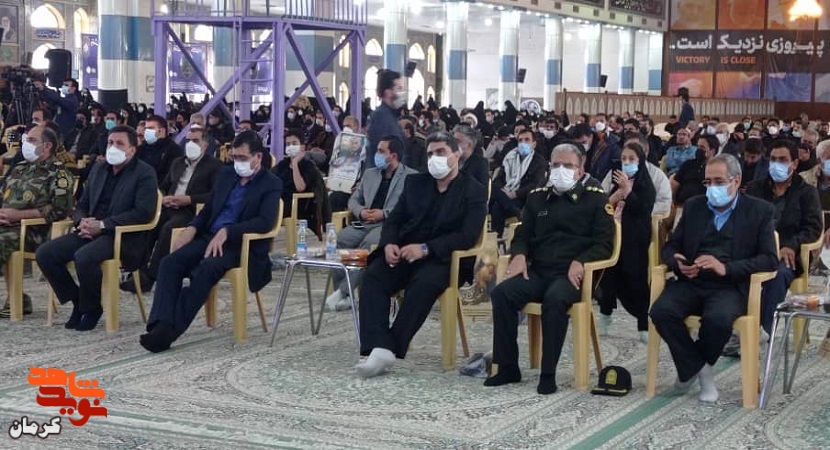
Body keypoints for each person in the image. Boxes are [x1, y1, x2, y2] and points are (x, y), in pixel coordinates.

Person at [354, 131, 487, 378]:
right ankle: (376, 346)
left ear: (456, 154)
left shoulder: (474, 190)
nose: (435, 158)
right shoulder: (415, 183)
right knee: (372, 276)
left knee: (423, 284)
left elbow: (467, 236)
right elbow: (395, 219)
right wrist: (389, 243)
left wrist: (426, 248)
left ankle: (389, 348)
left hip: (444, 259)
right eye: (430, 153)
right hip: (405, 252)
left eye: (441, 152)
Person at [484, 143, 614, 394]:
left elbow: (605, 243)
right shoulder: (537, 196)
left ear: (580, 169)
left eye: (568, 166)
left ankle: (548, 373)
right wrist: (519, 255)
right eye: (556, 165)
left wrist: (582, 261)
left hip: (571, 274)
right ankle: (508, 367)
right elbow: (522, 234)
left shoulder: (595, 197)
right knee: (502, 293)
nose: (560, 170)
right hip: (539, 270)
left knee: (555, 300)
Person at [650, 154, 778, 403]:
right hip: (692, 281)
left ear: (736, 181)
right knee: (661, 312)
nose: (712, 188)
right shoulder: (694, 206)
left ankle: (691, 369)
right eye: (708, 182)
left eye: (719, 181)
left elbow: (769, 259)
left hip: (730, 286)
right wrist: (677, 261)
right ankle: (701, 370)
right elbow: (670, 246)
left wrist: (726, 268)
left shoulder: (760, 211)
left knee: (717, 320)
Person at [140, 131, 282, 352]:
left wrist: (228, 231)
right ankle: (160, 324)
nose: (238, 162)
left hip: (240, 245)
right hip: (209, 237)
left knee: (205, 270)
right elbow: (208, 210)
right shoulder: (226, 175)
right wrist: (191, 228)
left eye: (243, 158)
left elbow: (264, 222)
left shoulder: (271, 183)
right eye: (234, 157)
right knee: (169, 263)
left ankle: (169, 332)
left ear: (258, 157)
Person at [36, 125, 158, 331]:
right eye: (110, 142)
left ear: (132, 149)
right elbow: (81, 204)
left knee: (84, 256)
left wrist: (101, 225)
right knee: (45, 253)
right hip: (88, 230)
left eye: (119, 143)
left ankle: (92, 309)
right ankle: (77, 300)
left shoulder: (144, 173)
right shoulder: (99, 169)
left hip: (121, 235)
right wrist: (82, 221)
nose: (113, 147)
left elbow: (142, 212)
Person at [120, 126, 222, 293]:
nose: (190, 144)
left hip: (191, 211)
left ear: (205, 145)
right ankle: (137, 270)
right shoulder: (178, 163)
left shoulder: (214, 166)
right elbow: (163, 186)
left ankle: (151, 276)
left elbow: (215, 195)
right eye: (188, 140)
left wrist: (189, 199)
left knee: (168, 228)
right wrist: (163, 197)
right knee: (148, 224)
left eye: (195, 141)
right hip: (169, 206)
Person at [324, 136, 417, 311]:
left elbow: (410, 207)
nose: (377, 154)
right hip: (364, 222)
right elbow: (353, 200)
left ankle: (344, 292)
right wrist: (361, 211)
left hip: (387, 224)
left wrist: (384, 213)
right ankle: (343, 295)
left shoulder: (411, 177)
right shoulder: (370, 174)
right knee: (338, 240)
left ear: (393, 155)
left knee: (368, 245)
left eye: (381, 151)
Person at [746, 139, 822, 334]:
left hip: (787, 254)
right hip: (754, 250)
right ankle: (735, 325)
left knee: (778, 275)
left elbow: (813, 228)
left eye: (782, 160)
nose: (776, 164)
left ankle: (765, 331)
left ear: (794, 163)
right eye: (773, 159)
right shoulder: (755, 188)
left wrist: (791, 245)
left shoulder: (806, 192)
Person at [0, 126, 74, 318]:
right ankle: (17, 298)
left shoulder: (59, 173)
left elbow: (60, 210)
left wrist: (18, 216)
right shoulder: (19, 168)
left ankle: (16, 300)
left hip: (37, 231)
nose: (26, 144)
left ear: (47, 146)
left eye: (32, 140)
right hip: (6, 226)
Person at [597, 142, 656, 342]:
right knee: (608, 277)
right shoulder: (616, 182)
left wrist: (628, 192)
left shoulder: (645, 185)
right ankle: (605, 316)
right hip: (613, 236)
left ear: (640, 161)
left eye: (632, 159)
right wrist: (614, 196)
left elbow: (642, 210)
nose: (627, 162)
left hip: (635, 240)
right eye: (624, 159)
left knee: (636, 280)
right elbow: (604, 207)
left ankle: (643, 324)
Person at [273, 130, 330, 239]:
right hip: (280, 200)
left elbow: (300, 187)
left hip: (297, 205)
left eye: (294, 143)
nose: (290, 146)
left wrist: (295, 163)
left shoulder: (308, 166)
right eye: (288, 144)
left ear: (302, 147)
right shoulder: (282, 165)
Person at [489, 129, 547, 236]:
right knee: (489, 185)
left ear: (534, 144)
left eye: (527, 140)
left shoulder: (539, 161)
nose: (523, 143)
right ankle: (513, 210)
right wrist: (504, 191)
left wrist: (515, 194)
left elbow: (535, 184)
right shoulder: (510, 157)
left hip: (522, 197)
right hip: (505, 192)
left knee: (497, 207)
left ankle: (497, 238)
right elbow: (499, 178)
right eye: (520, 140)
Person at [366, 69, 406, 169]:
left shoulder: (391, 116)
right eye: (399, 88)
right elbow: (380, 152)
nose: (402, 92)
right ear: (388, 92)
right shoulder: (381, 117)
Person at [137, 115, 184, 183]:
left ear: (162, 131)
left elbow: (170, 177)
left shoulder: (173, 150)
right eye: (146, 128)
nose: (146, 131)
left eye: (150, 128)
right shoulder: (142, 147)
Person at [453, 123, 490, 190]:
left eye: (458, 141)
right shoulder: (450, 159)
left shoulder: (480, 163)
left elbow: (482, 189)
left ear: (469, 145)